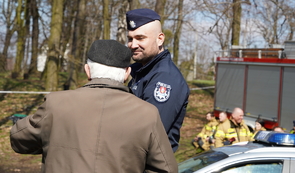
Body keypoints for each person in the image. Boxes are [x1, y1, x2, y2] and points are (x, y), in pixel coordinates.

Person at [10, 40, 178, 173]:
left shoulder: (56, 104)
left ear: (87, 70)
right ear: (127, 73)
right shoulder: (147, 114)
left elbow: (18, 140)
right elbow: (166, 168)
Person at [126, 8, 190, 152]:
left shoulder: (165, 78)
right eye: (130, 38)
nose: (133, 45)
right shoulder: (143, 72)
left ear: (160, 39)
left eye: (140, 38)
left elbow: (146, 135)